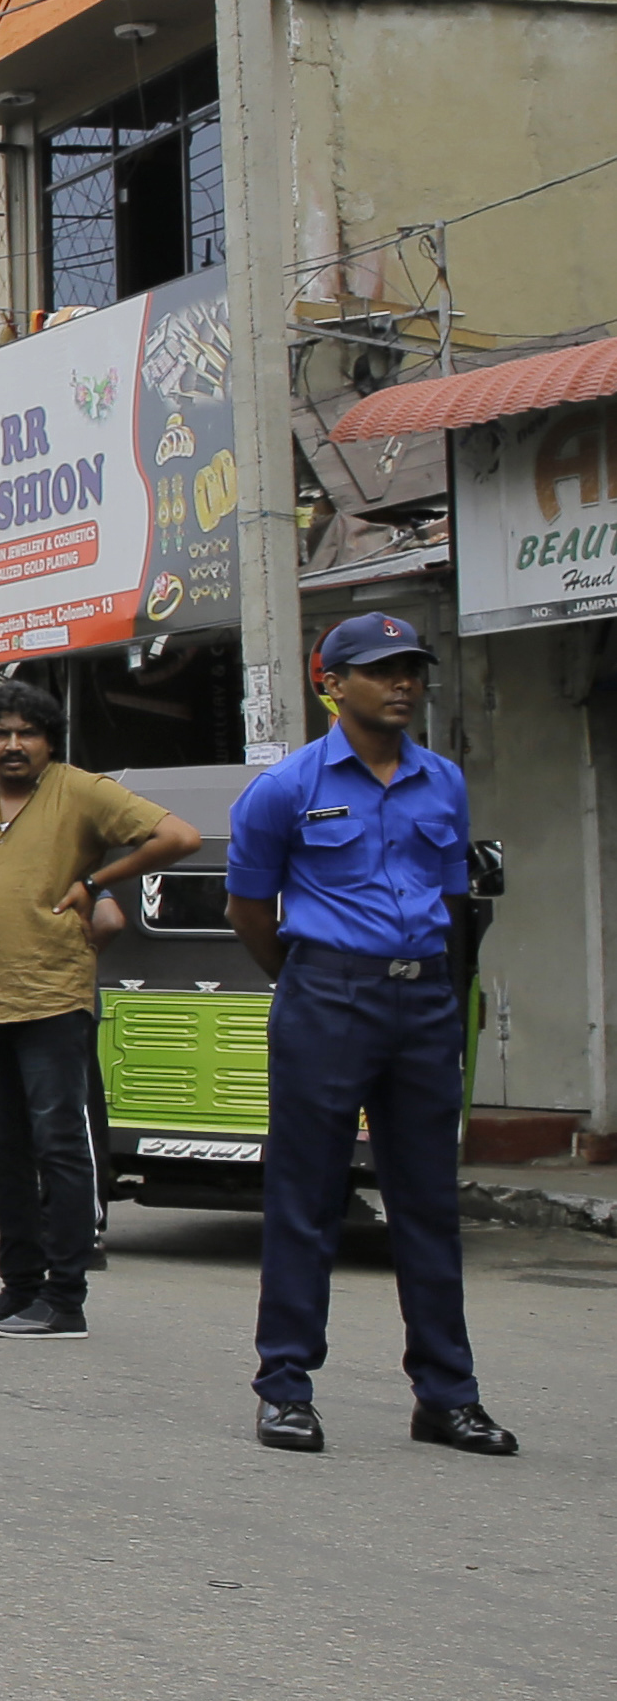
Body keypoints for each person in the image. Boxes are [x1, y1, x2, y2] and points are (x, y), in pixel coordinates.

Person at [225, 612, 514, 1457]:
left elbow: (453, 897)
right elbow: (249, 909)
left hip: (423, 1001)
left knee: (427, 1204)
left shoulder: (445, 782)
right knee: (306, 1199)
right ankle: (285, 1388)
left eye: (413, 669)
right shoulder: (285, 789)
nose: (404, 684)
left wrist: (438, 992)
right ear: (333, 684)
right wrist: (313, 982)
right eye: (384, 670)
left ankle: (446, 1396)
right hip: (326, 996)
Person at [0, 683, 195, 1342]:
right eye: (1, 733)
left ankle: (65, 1298)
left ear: (48, 740)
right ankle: (18, 1287)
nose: (14, 744)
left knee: (60, 1148)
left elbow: (176, 835)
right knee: (2, 1151)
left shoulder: (81, 790)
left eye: (28, 733)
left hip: (54, 1000)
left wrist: (96, 883)